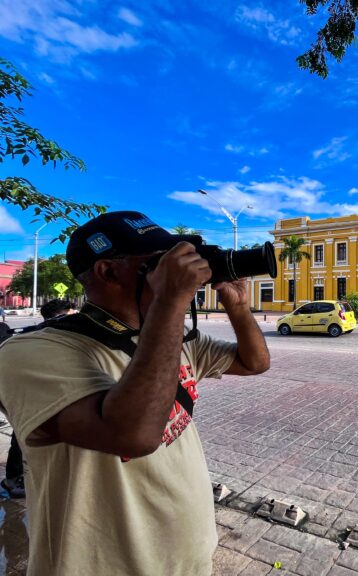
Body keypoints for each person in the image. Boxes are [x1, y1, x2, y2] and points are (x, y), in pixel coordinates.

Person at [0, 211, 270, 576]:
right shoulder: (30, 353)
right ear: (108, 272)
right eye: (161, 263)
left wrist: (237, 306)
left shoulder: (172, 337)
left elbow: (254, 363)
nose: (179, 270)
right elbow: (134, 436)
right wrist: (170, 300)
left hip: (186, 556)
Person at [1, 299, 78, 499]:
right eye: (72, 312)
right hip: (20, 389)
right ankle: (14, 478)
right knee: (25, 430)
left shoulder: (53, 332)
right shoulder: (41, 335)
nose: (77, 315)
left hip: (31, 388)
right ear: (62, 314)